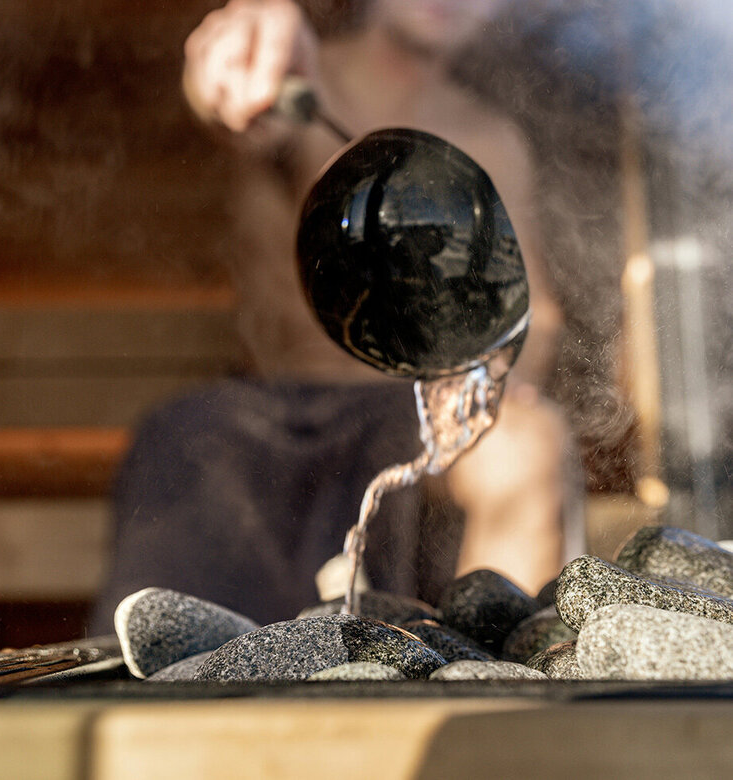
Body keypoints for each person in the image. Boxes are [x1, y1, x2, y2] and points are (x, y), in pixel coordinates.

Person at [91, 0, 584, 632]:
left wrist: (497, 381)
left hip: (415, 413)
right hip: (279, 407)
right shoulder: (300, 78)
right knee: (189, 435)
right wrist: (236, 58)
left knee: (530, 443)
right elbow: (240, 106)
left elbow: (529, 304)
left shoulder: (491, 139)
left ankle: (493, 674)